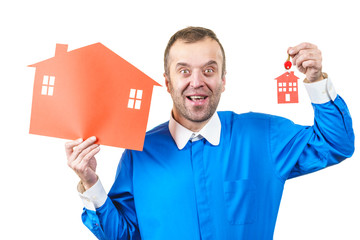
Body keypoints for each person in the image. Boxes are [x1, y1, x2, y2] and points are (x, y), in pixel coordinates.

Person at [66, 27, 355, 239]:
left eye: (208, 70)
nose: (197, 82)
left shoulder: (262, 136)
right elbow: (124, 235)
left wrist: (316, 80)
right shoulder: (139, 153)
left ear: (223, 80)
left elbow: (335, 143)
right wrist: (90, 182)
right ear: (167, 83)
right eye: (184, 71)